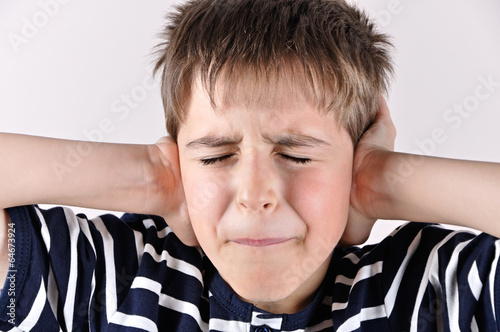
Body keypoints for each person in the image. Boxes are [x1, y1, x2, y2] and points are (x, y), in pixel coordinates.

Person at [1, 0, 499, 331]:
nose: (255, 193)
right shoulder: (113, 278)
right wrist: (151, 176)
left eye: (298, 155)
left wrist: (381, 182)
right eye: (216, 156)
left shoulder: (430, 288)